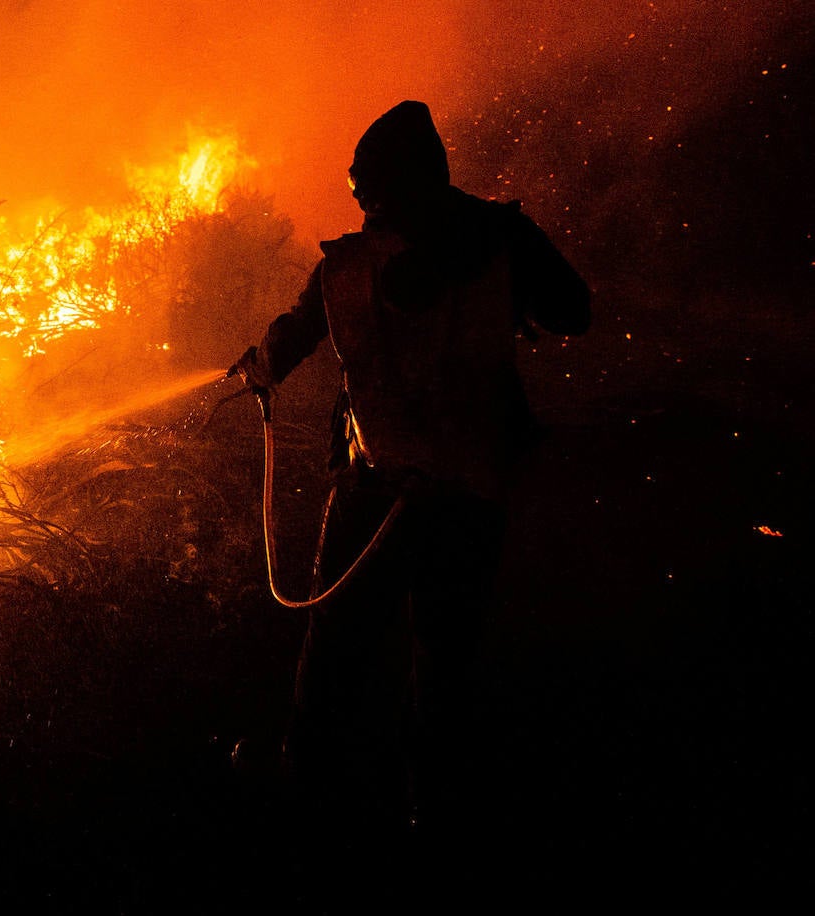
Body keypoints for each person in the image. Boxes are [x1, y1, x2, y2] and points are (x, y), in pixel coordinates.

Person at [231, 100, 590, 842]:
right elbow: (574, 312)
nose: (359, 203)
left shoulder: (350, 265)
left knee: (332, 658)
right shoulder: (502, 237)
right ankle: (437, 815)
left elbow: (291, 338)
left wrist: (258, 369)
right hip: (471, 491)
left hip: (373, 490)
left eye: (365, 189)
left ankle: (303, 809)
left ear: (389, 185)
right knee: (445, 663)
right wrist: (504, 256)